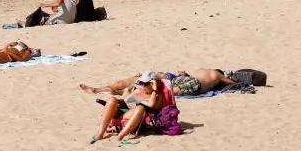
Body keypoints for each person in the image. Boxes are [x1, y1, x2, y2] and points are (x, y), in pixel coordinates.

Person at [89, 74, 171, 144]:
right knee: (112, 100)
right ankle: (100, 134)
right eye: (141, 83)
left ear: (152, 84)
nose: (142, 85)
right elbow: (125, 100)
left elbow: (151, 106)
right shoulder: (139, 90)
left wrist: (154, 90)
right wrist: (117, 101)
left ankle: (120, 136)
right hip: (123, 110)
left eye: (145, 83)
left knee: (140, 108)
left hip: (135, 114)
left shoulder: (157, 96)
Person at [79, 68, 238, 98]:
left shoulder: (209, 71)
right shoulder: (215, 74)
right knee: (157, 85)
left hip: (188, 82)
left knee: (164, 90)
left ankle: (122, 91)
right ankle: (99, 89)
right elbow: (231, 83)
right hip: (187, 81)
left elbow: (229, 83)